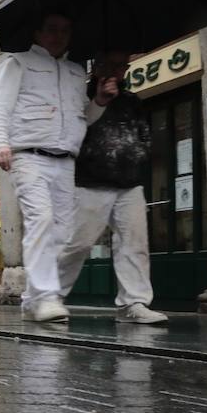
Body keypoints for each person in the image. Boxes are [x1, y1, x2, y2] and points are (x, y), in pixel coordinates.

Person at [0, 11, 114, 323]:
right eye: (52, 29)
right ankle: (46, 297)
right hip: (28, 155)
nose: (59, 35)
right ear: (38, 32)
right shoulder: (17, 62)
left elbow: (82, 117)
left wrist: (98, 101)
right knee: (40, 221)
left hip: (65, 160)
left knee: (65, 234)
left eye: (65, 30)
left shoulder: (74, 71)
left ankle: (34, 298)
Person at [58, 50, 169, 324]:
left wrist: (139, 157)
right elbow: (74, 130)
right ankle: (47, 296)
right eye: (113, 64)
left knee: (134, 243)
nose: (120, 71)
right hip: (89, 182)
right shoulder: (80, 97)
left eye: (123, 66)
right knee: (77, 243)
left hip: (129, 183)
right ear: (96, 67)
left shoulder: (132, 101)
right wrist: (99, 100)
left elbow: (143, 134)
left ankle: (134, 303)